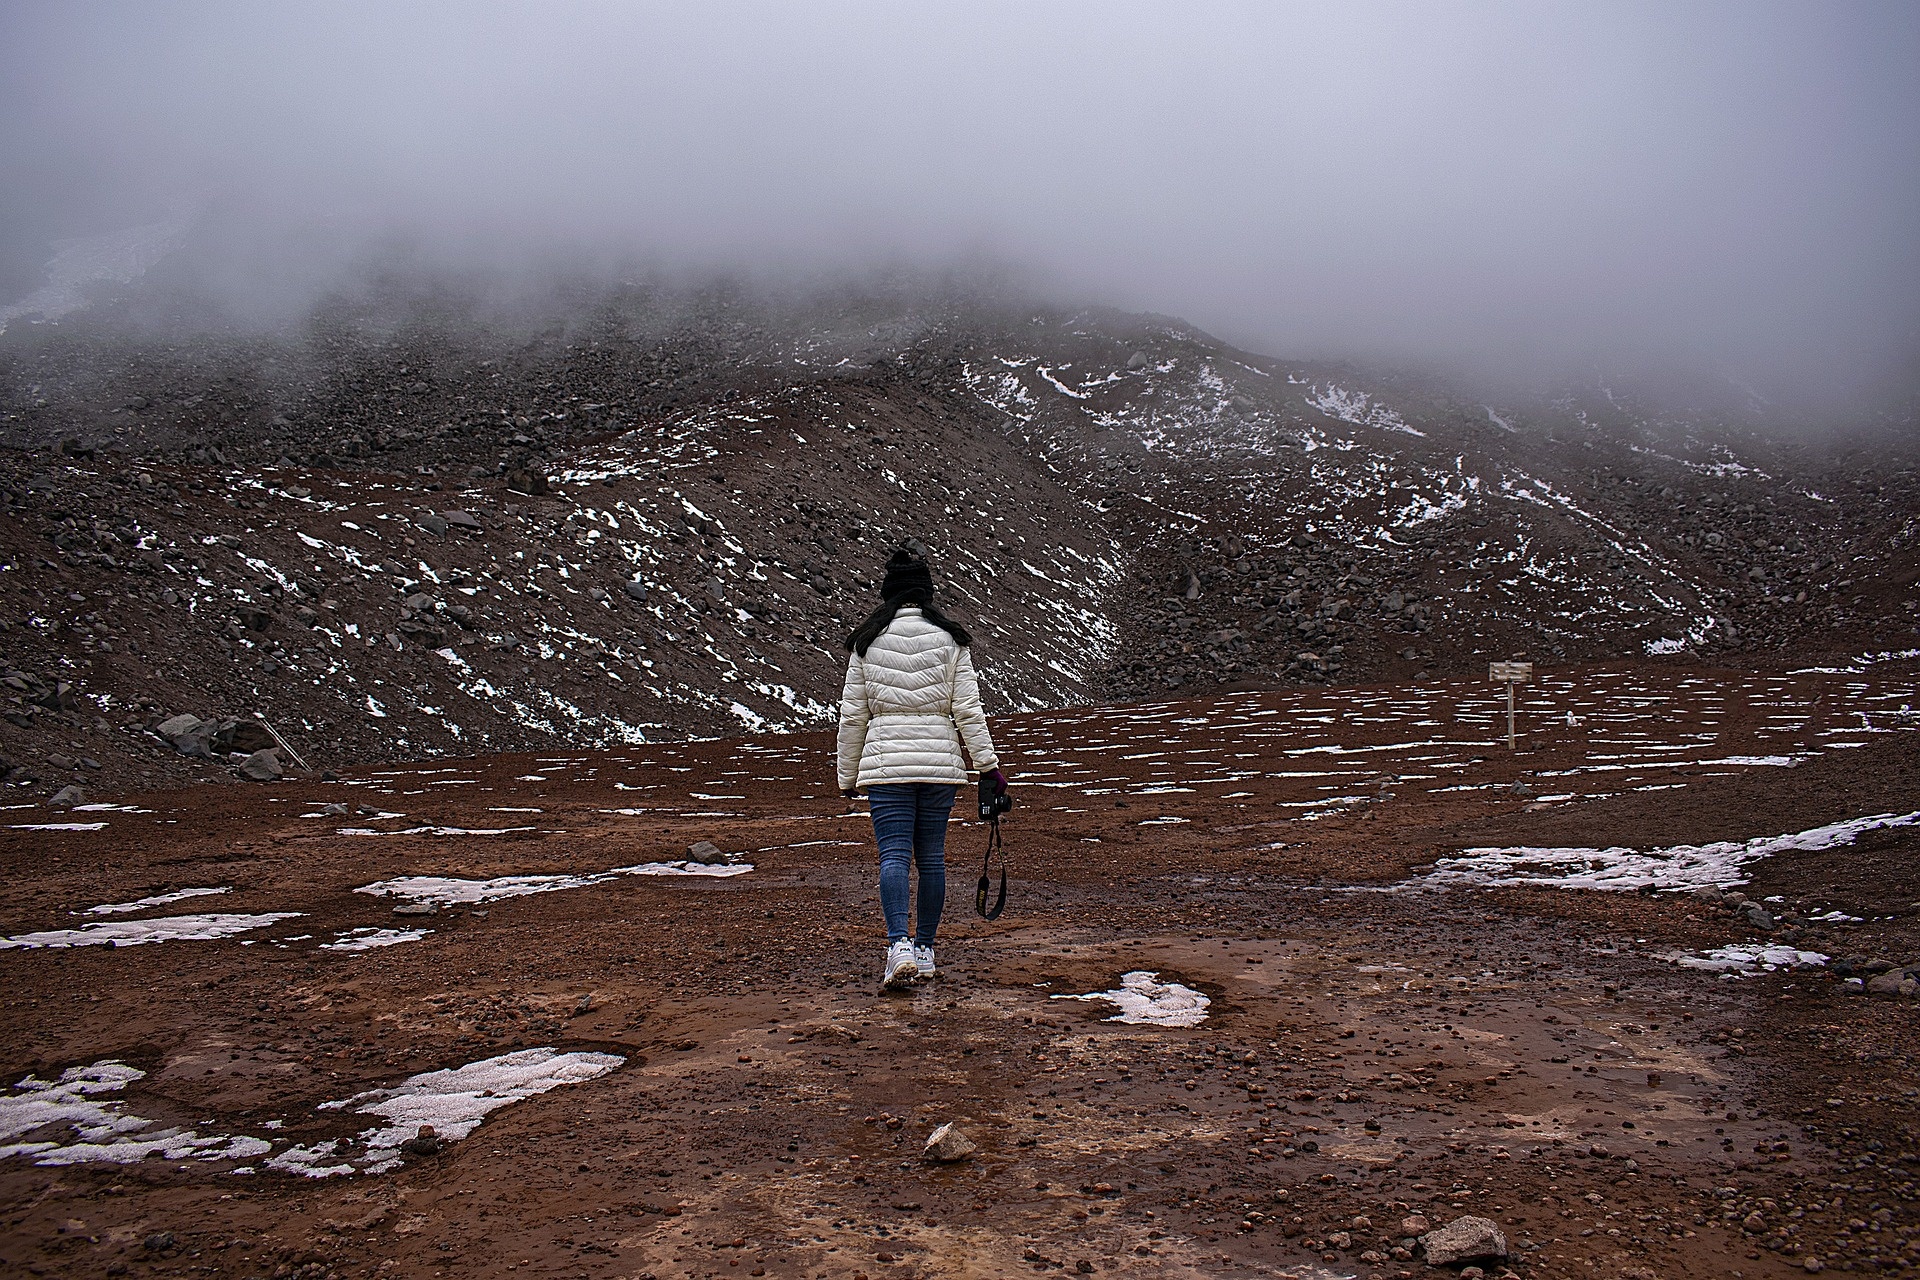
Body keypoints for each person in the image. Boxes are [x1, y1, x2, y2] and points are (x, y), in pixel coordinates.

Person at [836, 544, 1006, 991]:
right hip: (939, 765)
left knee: (893, 855)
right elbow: (968, 709)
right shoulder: (951, 639)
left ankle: (899, 946)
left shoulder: (867, 641)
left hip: (887, 764)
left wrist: (847, 775)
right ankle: (927, 951)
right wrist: (987, 767)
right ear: (927, 593)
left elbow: (854, 715)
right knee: (931, 858)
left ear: (887, 593)